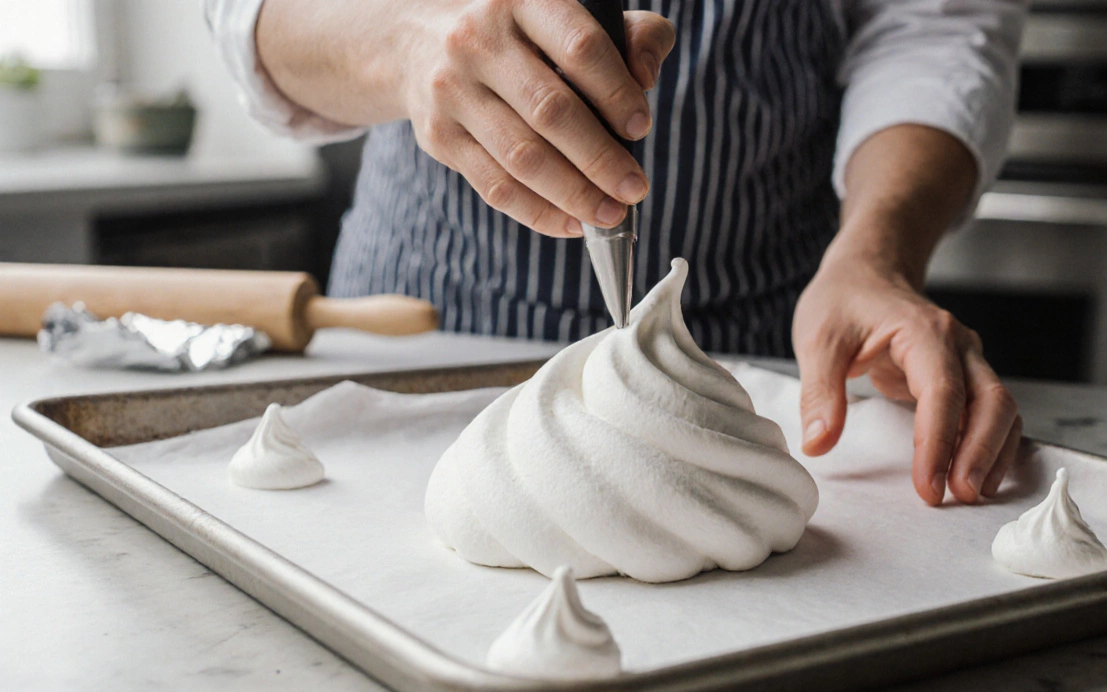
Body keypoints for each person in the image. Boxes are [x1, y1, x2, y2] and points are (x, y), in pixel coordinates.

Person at [206, 0, 1027, 506]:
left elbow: (932, 30)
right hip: (421, 333)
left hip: (768, 355)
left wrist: (875, 250)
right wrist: (406, 38)